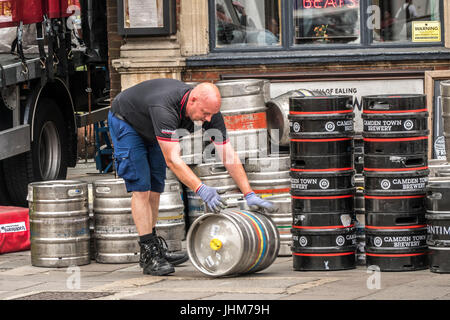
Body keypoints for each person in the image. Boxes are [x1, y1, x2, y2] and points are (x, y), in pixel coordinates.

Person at [108, 79, 275, 276]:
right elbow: (173, 160)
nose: (207, 119)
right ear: (193, 100)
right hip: (126, 122)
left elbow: (227, 153)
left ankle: (155, 248)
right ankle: (148, 253)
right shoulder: (164, 108)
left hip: (150, 126)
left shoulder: (209, 110)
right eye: (205, 113)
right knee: (141, 188)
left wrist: (249, 193)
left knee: (155, 188)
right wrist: (201, 189)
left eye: (211, 114)